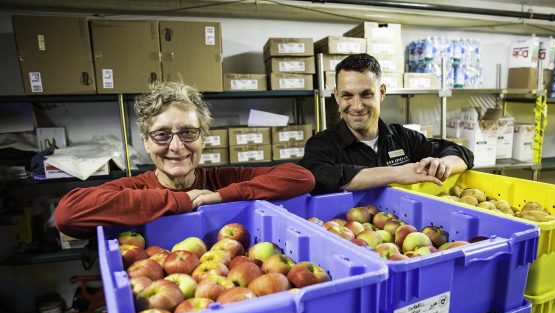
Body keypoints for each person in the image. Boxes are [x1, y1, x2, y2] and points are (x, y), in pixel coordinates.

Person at [55, 81, 315, 239]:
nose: (177, 147)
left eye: (188, 132)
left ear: (203, 138)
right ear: (146, 142)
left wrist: (222, 196)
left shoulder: (222, 180)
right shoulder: (134, 189)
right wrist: (181, 200)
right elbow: (68, 214)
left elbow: (301, 176)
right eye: (162, 135)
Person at [299, 53, 474, 195]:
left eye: (366, 94)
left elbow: (463, 154)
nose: (357, 106)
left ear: (382, 92)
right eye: (347, 96)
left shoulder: (403, 137)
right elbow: (321, 177)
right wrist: (399, 173)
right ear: (336, 96)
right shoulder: (321, 145)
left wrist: (442, 165)